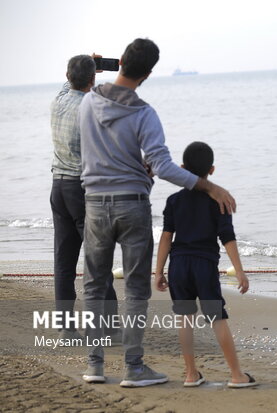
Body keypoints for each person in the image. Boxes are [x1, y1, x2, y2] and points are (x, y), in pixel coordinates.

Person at [79, 39, 236, 387]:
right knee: (135, 290)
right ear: (148, 74)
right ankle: (133, 368)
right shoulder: (144, 113)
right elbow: (163, 167)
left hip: (93, 204)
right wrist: (209, 186)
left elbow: (78, 87)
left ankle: (94, 365)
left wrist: (95, 70)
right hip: (131, 204)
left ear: (120, 62)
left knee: (93, 286)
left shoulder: (87, 101)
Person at [155, 141, 258, 388]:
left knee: (184, 319)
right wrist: (240, 271)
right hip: (204, 267)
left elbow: (166, 237)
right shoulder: (219, 201)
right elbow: (228, 238)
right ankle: (236, 375)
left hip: (178, 267)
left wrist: (159, 271)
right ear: (211, 170)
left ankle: (191, 374)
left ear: (182, 168)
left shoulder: (173, 201)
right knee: (216, 318)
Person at [50, 54, 119, 342]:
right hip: (82, 190)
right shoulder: (90, 107)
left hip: (58, 187)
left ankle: (66, 328)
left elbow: (71, 85)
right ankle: (111, 326)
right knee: (97, 258)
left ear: (67, 76)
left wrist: (88, 70)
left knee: (64, 261)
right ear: (93, 79)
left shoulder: (59, 100)